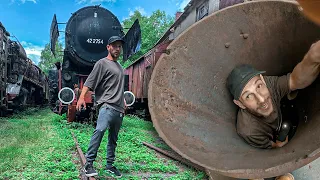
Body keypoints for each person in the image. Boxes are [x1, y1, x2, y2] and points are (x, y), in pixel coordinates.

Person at [227, 40, 320, 180]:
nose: (261, 99)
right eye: (248, 96)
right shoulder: (248, 130)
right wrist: (278, 146)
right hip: (263, 149)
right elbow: (267, 152)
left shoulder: (270, 84)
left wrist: (312, 57)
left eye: (259, 86)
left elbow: (295, 80)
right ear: (240, 104)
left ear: (263, 81)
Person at [76, 36, 126, 178]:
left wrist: (123, 101)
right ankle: (88, 164)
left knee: (113, 139)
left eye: (119, 46)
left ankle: (110, 165)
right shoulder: (102, 63)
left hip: (119, 108)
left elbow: (118, 87)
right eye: (114, 46)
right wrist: (81, 98)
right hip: (107, 106)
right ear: (108, 47)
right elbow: (89, 81)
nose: (117, 49)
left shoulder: (120, 67)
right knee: (99, 130)